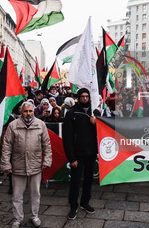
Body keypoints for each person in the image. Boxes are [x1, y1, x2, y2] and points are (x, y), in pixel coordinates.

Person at [0, 101, 52, 228]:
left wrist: (47, 161)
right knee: (17, 195)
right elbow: (6, 146)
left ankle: (35, 216)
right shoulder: (13, 125)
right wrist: (6, 163)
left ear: (33, 111)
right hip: (18, 166)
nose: (28, 114)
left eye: (30, 111)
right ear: (20, 112)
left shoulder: (41, 125)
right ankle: (18, 218)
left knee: (35, 194)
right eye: (25, 111)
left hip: (35, 165)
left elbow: (47, 144)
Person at [63, 88, 100, 220]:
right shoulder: (72, 113)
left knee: (88, 180)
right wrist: (71, 157)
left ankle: (85, 202)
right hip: (77, 155)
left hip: (90, 154)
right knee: (75, 181)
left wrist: (96, 124)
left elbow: (102, 133)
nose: (85, 98)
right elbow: (67, 138)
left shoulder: (95, 112)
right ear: (78, 98)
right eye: (82, 96)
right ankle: (73, 205)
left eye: (87, 96)